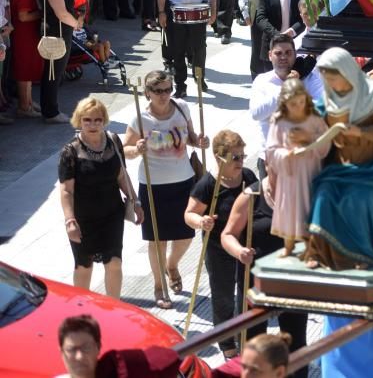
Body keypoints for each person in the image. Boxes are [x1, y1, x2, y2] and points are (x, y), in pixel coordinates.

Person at [305, 47, 373, 270]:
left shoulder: (372, 96)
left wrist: (359, 132)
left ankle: (363, 254)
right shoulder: (328, 99)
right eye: (327, 79)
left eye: (334, 78)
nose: (331, 84)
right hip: (340, 166)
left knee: (359, 196)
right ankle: (321, 251)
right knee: (323, 191)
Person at [122, 70, 206, 309]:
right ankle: (159, 287)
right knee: (156, 239)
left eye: (168, 89)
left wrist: (199, 140)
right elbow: (124, 150)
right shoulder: (141, 118)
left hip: (184, 181)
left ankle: (172, 265)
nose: (164, 95)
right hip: (153, 185)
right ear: (148, 92)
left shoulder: (181, 107)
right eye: (158, 91)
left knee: (186, 234)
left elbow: (190, 137)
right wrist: (136, 149)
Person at [59, 98, 142, 299]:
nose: (93, 124)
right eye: (87, 120)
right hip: (83, 218)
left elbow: (122, 175)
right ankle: (81, 309)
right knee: (84, 266)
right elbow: (66, 191)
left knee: (114, 262)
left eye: (97, 119)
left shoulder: (114, 141)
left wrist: (135, 201)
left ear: (104, 120)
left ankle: (114, 307)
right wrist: (70, 221)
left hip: (112, 214)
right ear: (79, 121)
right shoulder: (70, 151)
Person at [186, 129, 258, 358]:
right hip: (218, 248)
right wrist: (202, 221)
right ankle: (228, 346)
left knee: (247, 292)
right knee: (223, 295)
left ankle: (247, 337)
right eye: (234, 157)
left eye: (242, 156)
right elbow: (188, 214)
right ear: (219, 158)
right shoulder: (208, 184)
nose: (240, 161)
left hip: (245, 245)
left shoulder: (248, 177)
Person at [263, 77, 327, 258]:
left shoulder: (314, 118)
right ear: (285, 102)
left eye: (301, 102)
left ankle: (311, 249)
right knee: (290, 208)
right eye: (293, 103)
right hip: (289, 174)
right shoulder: (279, 120)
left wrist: (308, 140)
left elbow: (326, 144)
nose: (298, 106)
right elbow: (271, 148)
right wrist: (287, 154)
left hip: (310, 171)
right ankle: (289, 245)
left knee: (308, 207)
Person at [249, 33, 325, 147]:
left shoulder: (310, 78)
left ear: (295, 54)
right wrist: (287, 88)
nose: (283, 57)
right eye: (278, 53)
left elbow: (322, 109)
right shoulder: (262, 81)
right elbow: (256, 114)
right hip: (271, 155)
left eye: (288, 53)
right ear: (270, 55)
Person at [35, 0, 83, 123]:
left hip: (51, 31)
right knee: (54, 73)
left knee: (51, 72)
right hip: (58, 33)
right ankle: (51, 112)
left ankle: (49, 109)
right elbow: (62, 14)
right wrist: (76, 23)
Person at [253, 0, 304, 74]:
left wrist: (292, 31)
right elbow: (260, 19)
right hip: (272, 45)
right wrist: (278, 36)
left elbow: (305, 17)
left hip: (295, 45)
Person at [9, 0, 43, 118]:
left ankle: (28, 102)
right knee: (23, 71)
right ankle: (24, 106)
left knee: (27, 70)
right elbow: (23, 16)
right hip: (24, 35)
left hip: (26, 35)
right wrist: (42, 14)